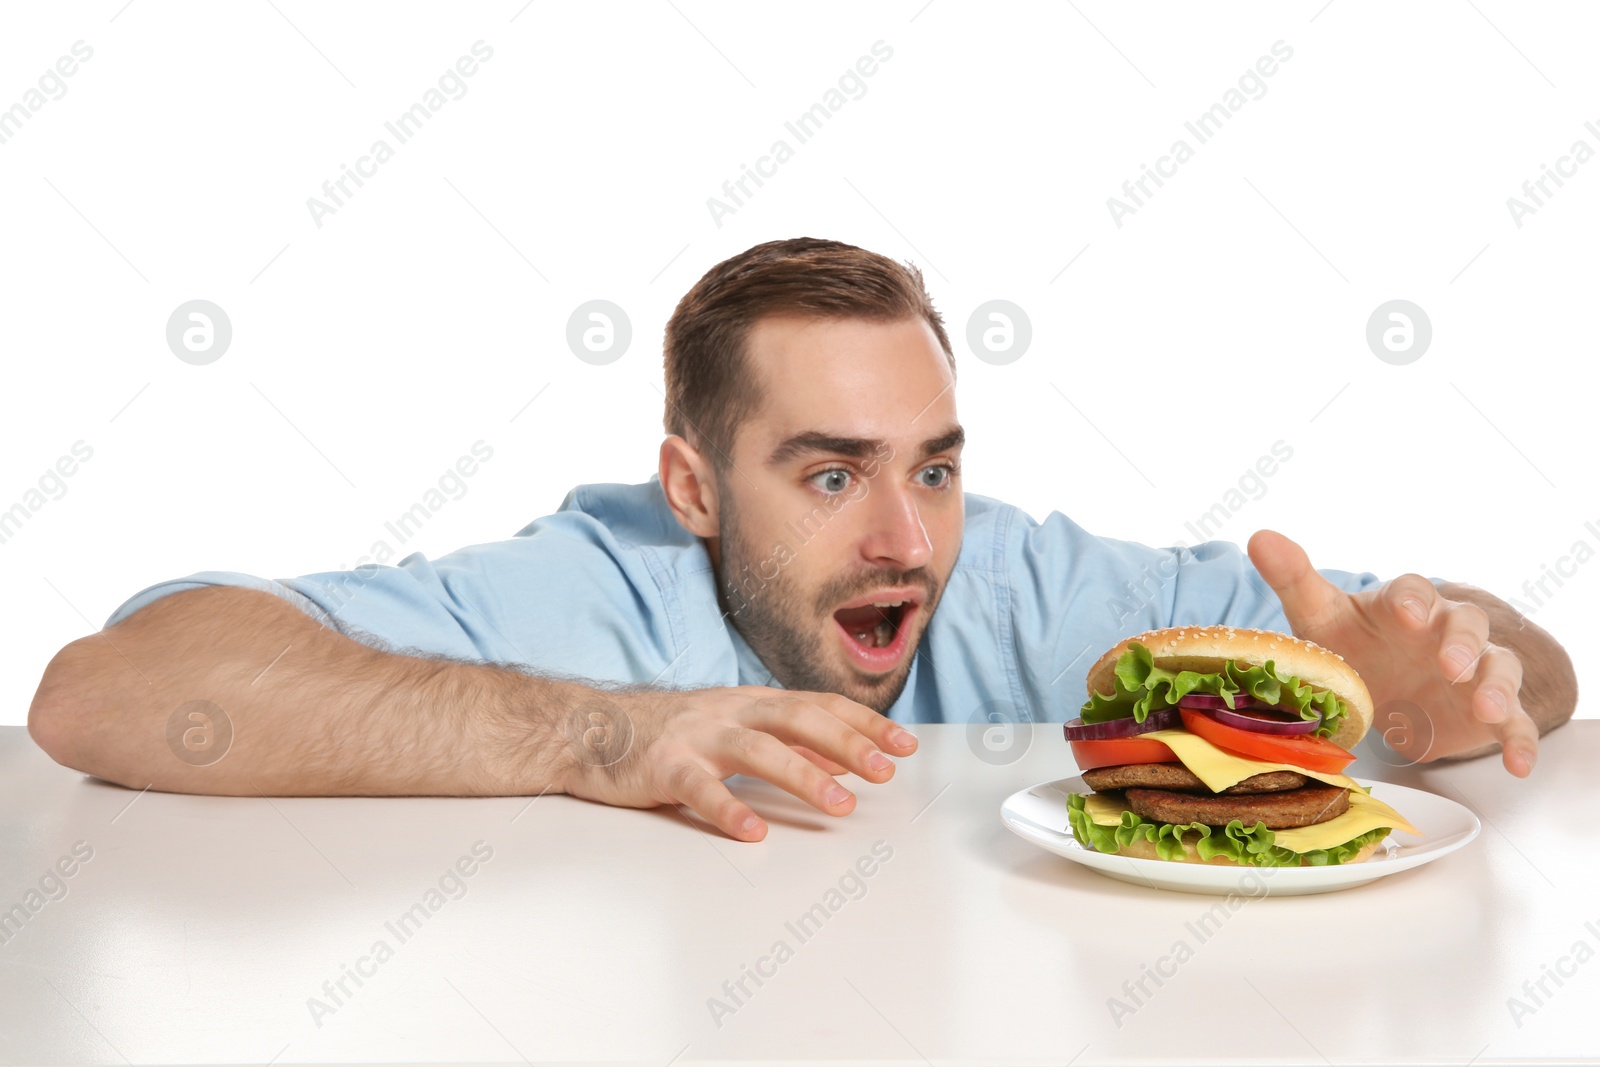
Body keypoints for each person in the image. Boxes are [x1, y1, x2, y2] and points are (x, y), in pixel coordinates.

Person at [27, 238, 1577, 843]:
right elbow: (105, 694)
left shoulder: (1024, 580)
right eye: (831, 478)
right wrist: (594, 735)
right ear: (694, 490)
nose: (908, 540)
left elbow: (1540, 672)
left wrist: (1451, 678)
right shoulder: (593, 590)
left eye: (937, 467)